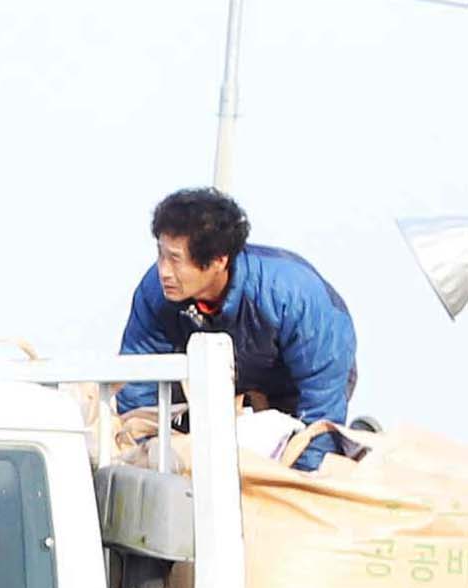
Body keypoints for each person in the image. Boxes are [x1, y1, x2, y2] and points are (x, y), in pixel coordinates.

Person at [123, 186, 360, 443]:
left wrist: (305, 473)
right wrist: (145, 459)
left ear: (218, 261)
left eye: (175, 259)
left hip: (300, 383)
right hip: (221, 382)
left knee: (294, 455)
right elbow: (138, 385)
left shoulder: (292, 294)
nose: (163, 271)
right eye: (161, 254)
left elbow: (322, 401)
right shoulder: (155, 292)